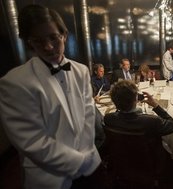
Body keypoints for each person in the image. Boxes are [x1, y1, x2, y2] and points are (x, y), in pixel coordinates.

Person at [0, 4, 101, 189]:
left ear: (64, 35)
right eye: (38, 41)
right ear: (30, 42)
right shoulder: (14, 82)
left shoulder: (82, 71)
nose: (48, 47)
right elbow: (32, 140)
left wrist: (85, 158)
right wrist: (77, 162)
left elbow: (88, 116)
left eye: (54, 37)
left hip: (89, 165)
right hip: (50, 177)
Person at [104, 80, 173, 136]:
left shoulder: (108, 118)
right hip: (150, 155)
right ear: (135, 100)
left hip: (121, 154)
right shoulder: (152, 121)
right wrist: (155, 105)